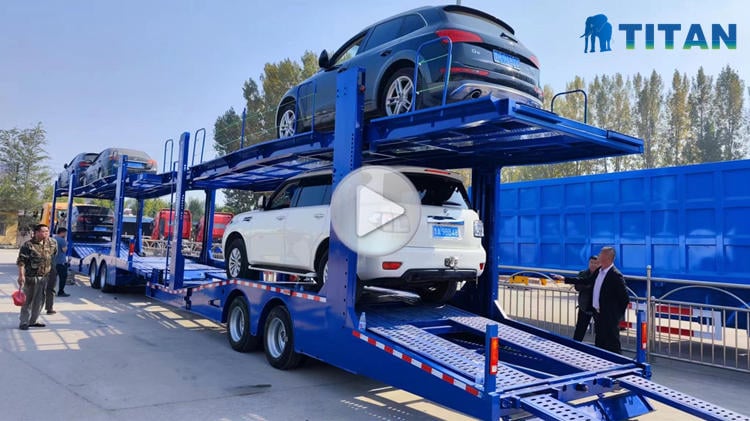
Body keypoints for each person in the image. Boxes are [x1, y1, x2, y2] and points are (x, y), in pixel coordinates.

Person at [17, 224, 57, 330]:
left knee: (39, 301)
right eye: (43, 231)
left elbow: (53, 256)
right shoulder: (28, 245)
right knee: (27, 301)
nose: (46, 233)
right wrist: (21, 275)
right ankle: (24, 322)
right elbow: (21, 261)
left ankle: (33, 321)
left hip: (44, 277)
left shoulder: (52, 243)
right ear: (37, 232)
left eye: (47, 231)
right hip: (31, 277)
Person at [589, 246, 629, 353]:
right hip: (598, 314)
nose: (598, 256)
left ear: (607, 257)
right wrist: (566, 280)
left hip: (610, 316)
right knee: (600, 342)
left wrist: (616, 315)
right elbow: (586, 281)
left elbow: (624, 298)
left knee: (612, 342)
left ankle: (617, 365)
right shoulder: (599, 271)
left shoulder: (615, 275)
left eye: (601, 254)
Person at [552, 255, 599, 341]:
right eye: (591, 262)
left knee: (600, 331)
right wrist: (588, 286)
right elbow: (577, 287)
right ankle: (575, 347)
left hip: (597, 307)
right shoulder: (583, 273)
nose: (593, 265)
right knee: (580, 330)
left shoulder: (601, 275)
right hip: (584, 306)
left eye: (595, 263)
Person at [45, 227, 69, 315]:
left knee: (52, 280)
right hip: (61, 262)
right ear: (62, 233)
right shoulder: (62, 240)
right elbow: (64, 250)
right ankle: (61, 291)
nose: (65, 234)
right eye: (65, 233)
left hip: (53, 262)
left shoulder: (52, 239)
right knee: (63, 277)